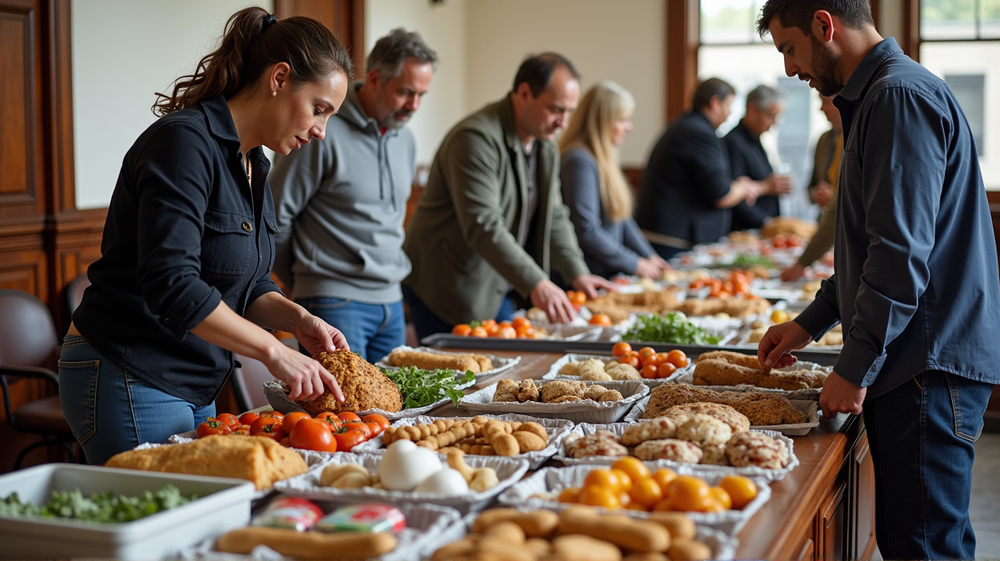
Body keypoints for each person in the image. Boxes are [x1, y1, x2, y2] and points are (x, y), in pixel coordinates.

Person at [756, 1, 1000, 559]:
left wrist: (855, 364)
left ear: (825, 24)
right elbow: (873, 248)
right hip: (922, 359)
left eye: (789, 48)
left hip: (926, 364)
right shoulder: (884, 95)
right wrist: (809, 323)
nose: (792, 69)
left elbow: (898, 255)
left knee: (924, 549)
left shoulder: (896, 97)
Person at [59, 8, 354, 465]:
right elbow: (171, 282)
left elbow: (249, 283)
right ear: (279, 78)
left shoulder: (255, 163)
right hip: (131, 369)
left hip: (192, 378)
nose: (321, 130)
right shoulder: (183, 143)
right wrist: (274, 351)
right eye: (319, 109)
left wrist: (298, 321)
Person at [402, 53, 617, 338]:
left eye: (569, 112)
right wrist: (538, 283)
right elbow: (484, 225)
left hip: (497, 282)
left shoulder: (545, 145)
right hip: (447, 286)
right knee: (459, 378)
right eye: (556, 110)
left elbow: (555, 215)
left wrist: (577, 272)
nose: (563, 123)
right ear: (525, 93)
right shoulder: (474, 138)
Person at [269, 29, 438, 361]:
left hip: (392, 302)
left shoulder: (405, 139)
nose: (413, 105)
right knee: (345, 412)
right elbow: (274, 216)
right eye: (405, 92)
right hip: (333, 301)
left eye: (421, 95)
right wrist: (303, 280)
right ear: (374, 79)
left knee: (394, 410)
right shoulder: (319, 131)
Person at [635, 78, 759, 259]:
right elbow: (722, 195)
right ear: (715, 103)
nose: (730, 113)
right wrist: (744, 188)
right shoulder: (700, 133)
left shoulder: (687, 125)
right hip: (673, 239)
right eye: (729, 105)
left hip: (668, 233)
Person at [557, 81, 669, 279]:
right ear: (602, 122)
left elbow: (622, 219)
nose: (629, 127)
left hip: (605, 272)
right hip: (588, 278)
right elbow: (587, 230)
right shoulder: (579, 161)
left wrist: (649, 256)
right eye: (622, 120)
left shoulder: (602, 157)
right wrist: (635, 263)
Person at [780, 93, 842, 281]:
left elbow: (843, 203)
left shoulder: (857, 139)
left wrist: (834, 198)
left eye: (826, 102)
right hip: (824, 226)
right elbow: (811, 186)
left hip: (840, 231)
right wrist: (816, 194)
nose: (821, 108)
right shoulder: (824, 140)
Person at [724, 84, 794, 231]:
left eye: (777, 117)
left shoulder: (756, 139)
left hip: (761, 228)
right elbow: (732, 194)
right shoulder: (733, 142)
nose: (774, 123)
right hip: (745, 230)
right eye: (770, 116)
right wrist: (766, 222)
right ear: (752, 110)